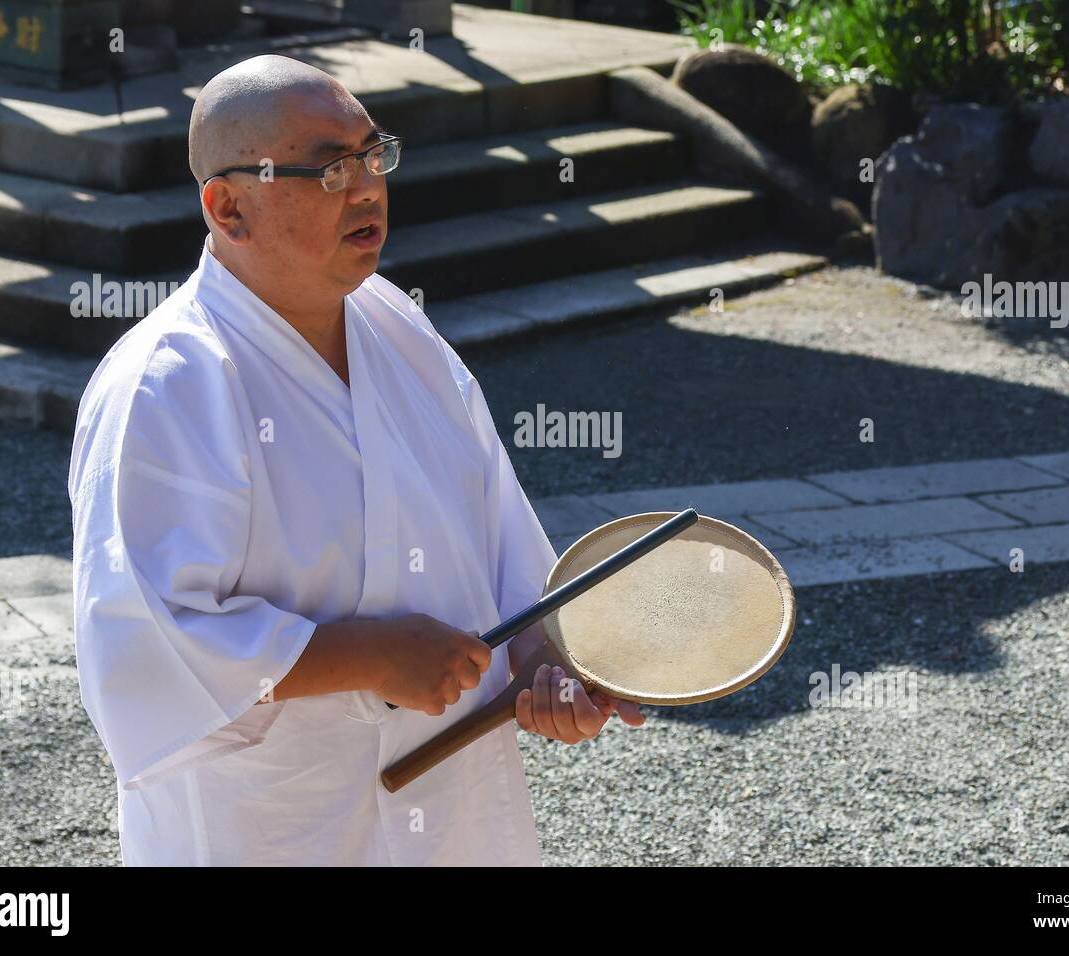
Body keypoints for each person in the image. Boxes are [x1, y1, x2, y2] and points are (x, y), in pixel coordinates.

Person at [68, 54, 643, 866]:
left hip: (451, 808)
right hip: (271, 815)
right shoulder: (168, 381)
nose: (367, 187)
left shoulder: (400, 331)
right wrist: (370, 656)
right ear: (228, 205)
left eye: (374, 156)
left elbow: (504, 546)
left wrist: (549, 668)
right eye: (330, 168)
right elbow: (147, 635)